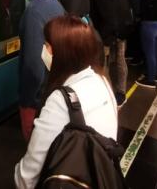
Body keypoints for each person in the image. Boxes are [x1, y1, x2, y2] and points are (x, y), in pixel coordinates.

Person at [14, 15, 118, 188]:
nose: (43, 51)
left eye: (47, 46)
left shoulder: (61, 101)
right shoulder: (103, 81)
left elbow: (27, 177)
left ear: (62, 53)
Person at [18, 0, 65, 141]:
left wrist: (28, 100)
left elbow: (33, 63)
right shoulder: (53, 3)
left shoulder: (35, 11)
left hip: (38, 96)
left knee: (34, 144)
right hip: (52, 87)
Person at [105, 0, 139, 106]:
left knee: (119, 60)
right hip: (105, 29)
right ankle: (106, 89)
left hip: (121, 30)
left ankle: (120, 91)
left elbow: (136, 7)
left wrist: (130, 26)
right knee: (103, 61)